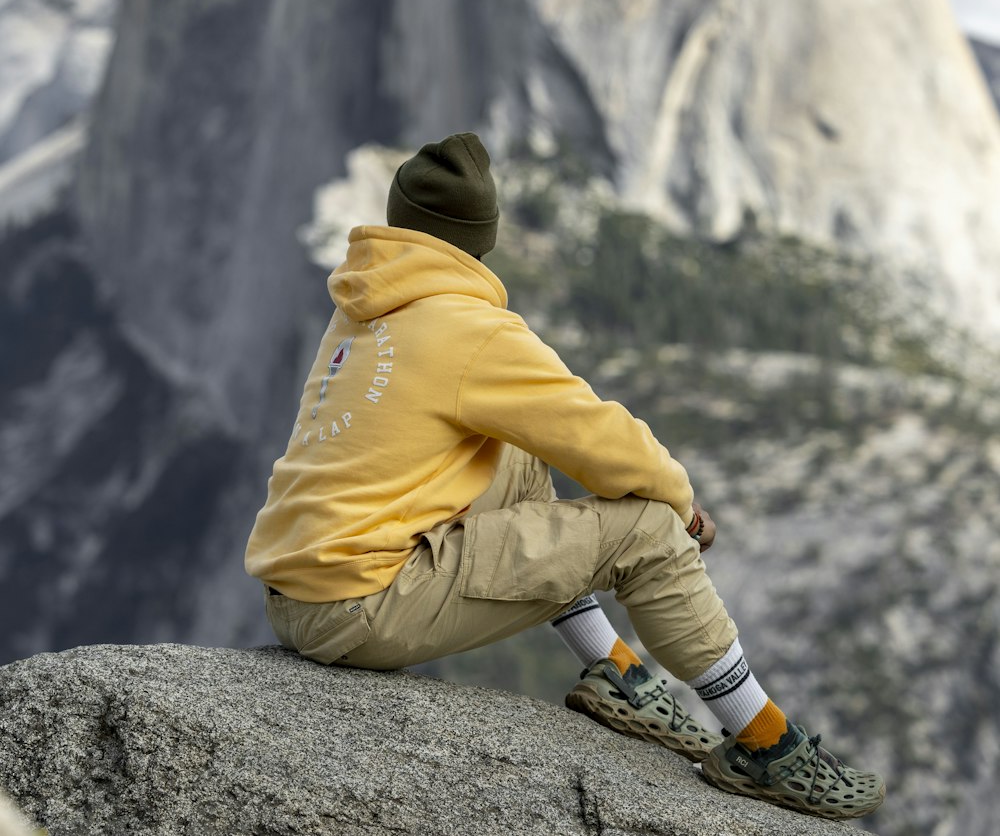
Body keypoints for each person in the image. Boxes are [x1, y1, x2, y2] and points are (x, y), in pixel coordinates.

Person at [246, 133, 885, 822]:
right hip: (361, 607)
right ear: (480, 237)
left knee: (513, 455)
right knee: (648, 531)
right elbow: (603, 436)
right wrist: (683, 508)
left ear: (399, 223)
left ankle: (621, 674)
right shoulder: (468, 329)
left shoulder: (360, 309)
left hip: (297, 593)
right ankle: (765, 744)